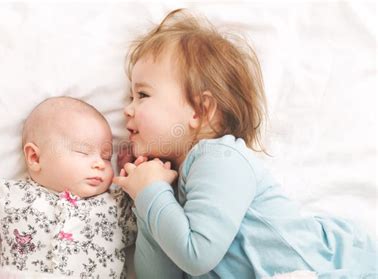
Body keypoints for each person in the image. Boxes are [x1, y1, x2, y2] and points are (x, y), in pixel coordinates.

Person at [113, 9, 376, 278]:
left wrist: (152, 192)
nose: (127, 110)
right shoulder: (170, 194)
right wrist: (146, 203)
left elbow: (197, 256)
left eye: (142, 95)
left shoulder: (218, 157)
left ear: (200, 110)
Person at [0, 96, 136, 277]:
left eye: (107, 157)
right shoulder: (11, 197)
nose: (100, 164)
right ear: (35, 157)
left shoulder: (115, 204)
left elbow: (144, 226)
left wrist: (134, 176)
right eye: (83, 152)